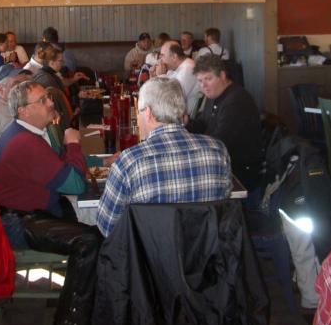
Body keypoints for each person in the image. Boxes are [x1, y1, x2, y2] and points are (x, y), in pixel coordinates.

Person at [96, 76, 232, 237]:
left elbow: (107, 227)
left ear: (148, 113)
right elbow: (223, 206)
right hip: (205, 251)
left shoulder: (130, 161)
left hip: (150, 252)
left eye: (139, 112)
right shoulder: (217, 150)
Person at [0, 81, 87, 248]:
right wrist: (73, 144)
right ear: (24, 111)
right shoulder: (25, 143)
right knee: (92, 238)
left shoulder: (23, 132)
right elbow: (77, 185)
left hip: (34, 214)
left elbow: (60, 162)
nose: (51, 103)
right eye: (42, 100)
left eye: (48, 97)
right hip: (22, 226)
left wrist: (104, 161)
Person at [188, 54, 263, 192]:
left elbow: (219, 142)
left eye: (208, 79)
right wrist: (186, 123)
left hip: (240, 172)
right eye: (200, 80)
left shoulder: (236, 101)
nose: (203, 85)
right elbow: (203, 123)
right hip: (222, 162)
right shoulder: (214, 94)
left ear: (222, 75)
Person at [155, 41, 200, 115]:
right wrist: (154, 77)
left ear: (174, 57)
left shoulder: (188, 68)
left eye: (162, 56)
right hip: (174, 113)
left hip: (184, 117)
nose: (160, 60)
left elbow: (172, 100)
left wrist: (161, 76)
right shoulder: (173, 68)